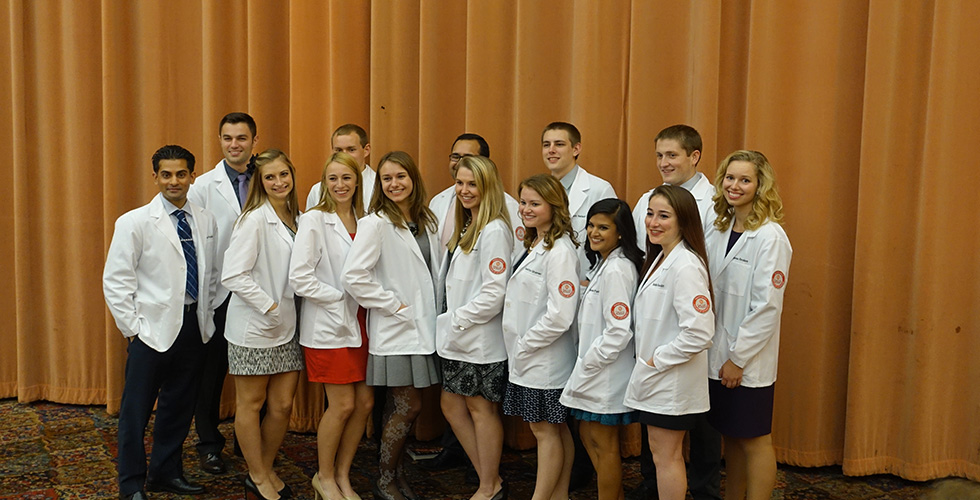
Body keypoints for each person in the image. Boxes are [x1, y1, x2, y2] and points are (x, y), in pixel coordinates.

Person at [103, 145, 217, 500]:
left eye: (181, 174)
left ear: (192, 176)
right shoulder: (134, 222)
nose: (174, 181)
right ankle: (131, 484)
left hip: (193, 327)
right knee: (135, 412)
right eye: (166, 174)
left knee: (179, 406)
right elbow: (116, 280)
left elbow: (211, 274)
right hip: (150, 332)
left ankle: (165, 472)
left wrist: (207, 315)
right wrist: (134, 330)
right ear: (155, 177)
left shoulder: (205, 219)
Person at [628, 124, 722, 500]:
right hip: (658, 376)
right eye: (651, 214)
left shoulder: (685, 265)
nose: (653, 222)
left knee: (667, 458)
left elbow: (700, 331)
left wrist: (657, 360)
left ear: (683, 220)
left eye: (663, 216)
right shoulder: (662, 258)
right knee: (661, 455)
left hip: (670, 377)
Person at [342, 151, 443, 500]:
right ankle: (384, 479)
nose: (394, 184)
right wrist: (394, 305)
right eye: (387, 178)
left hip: (423, 327)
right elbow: (354, 276)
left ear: (413, 178)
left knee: (398, 408)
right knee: (408, 407)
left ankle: (396, 474)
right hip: (397, 328)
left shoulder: (426, 220)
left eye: (401, 176)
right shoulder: (376, 223)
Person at [704, 151, 792, 500]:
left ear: (760, 185)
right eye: (730, 178)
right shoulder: (718, 229)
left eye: (745, 180)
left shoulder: (771, 237)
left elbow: (767, 307)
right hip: (717, 354)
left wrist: (738, 359)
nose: (735, 186)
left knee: (754, 440)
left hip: (747, 360)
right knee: (731, 436)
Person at [289, 152, 374, 500]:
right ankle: (323, 477)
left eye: (346, 178)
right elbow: (299, 278)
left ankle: (342, 475)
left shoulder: (367, 219)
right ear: (324, 183)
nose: (340, 185)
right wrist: (340, 297)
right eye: (333, 178)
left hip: (363, 323)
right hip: (328, 325)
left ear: (358, 181)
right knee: (341, 405)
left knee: (364, 404)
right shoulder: (314, 219)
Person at [222, 149, 304, 500]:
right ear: (259, 181)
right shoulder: (253, 220)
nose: (279, 182)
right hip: (254, 328)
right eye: (270, 177)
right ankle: (256, 475)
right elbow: (233, 275)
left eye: (284, 174)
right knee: (251, 404)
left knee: (283, 406)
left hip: (288, 328)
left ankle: (265, 468)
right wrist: (269, 305)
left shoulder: (298, 217)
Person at [436, 155, 513, 500]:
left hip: (479, 339)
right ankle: (490, 478)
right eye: (460, 183)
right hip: (459, 337)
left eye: (473, 184)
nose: (464, 190)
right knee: (452, 406)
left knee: (481, 410)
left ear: (488, 187)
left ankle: (488, 484)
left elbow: (495, 293)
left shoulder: (494, 229)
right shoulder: (469, 223)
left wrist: (458, 319)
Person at [186, 111, 258, 474]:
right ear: (219, 141)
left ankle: (251, 443)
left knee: (258, 374)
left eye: (241, 138)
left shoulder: (268, 178)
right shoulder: (203, 187)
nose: (234, 145)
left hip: (259, 294)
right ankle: (209, 444)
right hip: (219, 295)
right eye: (227, 138)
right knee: (211, 373)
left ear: (254, 142)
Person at [559, 198, 644, 500]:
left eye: (603, 227)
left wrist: (589, 363)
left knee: (604, 444)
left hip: (606, 373)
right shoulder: (604, 264)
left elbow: (618, 331)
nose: (594, 232)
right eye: (591, 225)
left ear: (620, 232)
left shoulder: (618, 269)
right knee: (587, 434)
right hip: (593, 368)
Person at [501, 174, 580, 500]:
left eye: (535, 203)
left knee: (544, 431)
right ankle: (558, 495)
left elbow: (561, 314)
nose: (526, 209)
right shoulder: (536, 242)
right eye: (523, 202)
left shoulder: (559, 251)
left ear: (554, 206)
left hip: (544, 359)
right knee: (555, 429)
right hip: (531, 356)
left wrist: (525, 344)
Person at [540, 121, 617, 277]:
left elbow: (613, 242)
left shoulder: (599, 189)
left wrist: (592, 279)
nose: (551, 150)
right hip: (543, 274)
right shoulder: (539, 190)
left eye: (559, 144)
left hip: (582, 278)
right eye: (546, 145)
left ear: (576, 149)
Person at [430, 133, 524, 257]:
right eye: (455, 157)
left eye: (468, 158)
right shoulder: (438, 201)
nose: (460, 162)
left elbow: (515, 253)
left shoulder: (508, 206)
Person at [631, 125, 715, 251]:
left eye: (672, 155)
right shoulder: (646, 200)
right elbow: (633, 250)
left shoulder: (714, 204)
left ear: (694, 157)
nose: (663, 164)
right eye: (660, 156)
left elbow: (711, 256)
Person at [306, 124, 375, 210]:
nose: (344, 155)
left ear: (366, 150)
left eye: (351, 150)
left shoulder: (379, 187)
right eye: (338, 150)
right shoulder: (317, 191)